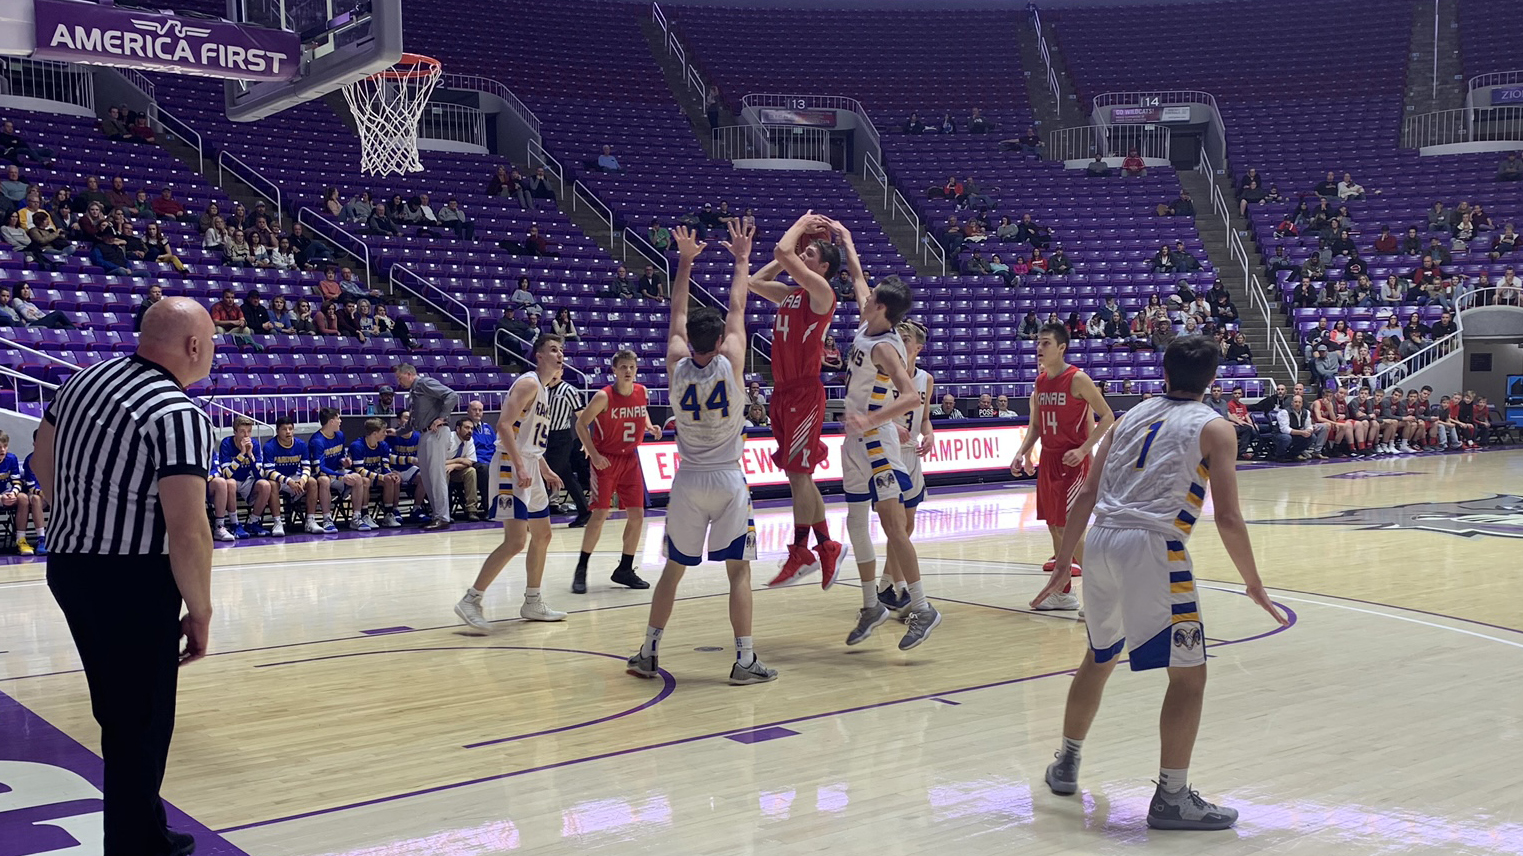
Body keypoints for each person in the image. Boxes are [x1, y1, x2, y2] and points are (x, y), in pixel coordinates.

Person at [1034, 336, 1288, 831]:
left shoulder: (1129, 416)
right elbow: (1228, 517)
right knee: (1189, 676)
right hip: (1153, 547)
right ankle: (1172, 796)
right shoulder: (1216, 427)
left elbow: (1087, 491)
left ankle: (1066, 762)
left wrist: (1065, 561)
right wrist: (1254, 582)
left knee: (1099, 656)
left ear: (1164, 373)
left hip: (1101, 540)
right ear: (1212, 379)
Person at [35, 296, 216, 855]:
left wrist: (79, 513)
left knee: (120, 709)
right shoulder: (178, 414)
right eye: (212, 341)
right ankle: (135, 844)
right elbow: (188, 530)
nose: (213, 350)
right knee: (141, 720)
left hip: (70, 565)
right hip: (132, 581)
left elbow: (41, 460)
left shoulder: (82, 382)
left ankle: (146, 828)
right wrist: (201, 610)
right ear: (193, 345)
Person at [625, 220, 774, 684]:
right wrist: (742, 258)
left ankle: (648, 652)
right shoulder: (733, 362)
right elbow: (738, 305)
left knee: (672, 570)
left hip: (688, 479)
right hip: (728, 479)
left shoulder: (676, 364)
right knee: (739, 573)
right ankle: (744, 659)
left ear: (691, 342)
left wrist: (685, 262)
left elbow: (676, 312)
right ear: (721, 342)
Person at [831, 230, 938, 649]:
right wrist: (846, 241)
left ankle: (923, 608)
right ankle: (870, 605)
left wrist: (871, 419)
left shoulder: (888, 349)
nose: (865, 295)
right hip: (856, 443)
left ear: (881, 308)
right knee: (856, 522)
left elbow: (910, 396)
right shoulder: (868, 321)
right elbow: (858, 276)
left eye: (872, 295)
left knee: (894, 527)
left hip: (876, 442)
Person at [749, 212, 844, 587]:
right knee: (798, 476)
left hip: (804, 392)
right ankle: (827, 545)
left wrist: (802, 226)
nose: (803, 256)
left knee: (799, 475)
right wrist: (790, 256)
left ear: (823, 268)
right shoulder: (793, 295)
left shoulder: (822, 295)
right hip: (782, 391)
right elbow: (756, 282)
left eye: (811, 255)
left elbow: (782, 251)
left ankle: (801, 550)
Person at [454, 333, 568, 630]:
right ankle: (471, 599)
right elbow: (503, 426)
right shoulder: (528, 383)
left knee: (543, 535)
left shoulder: (544, 391)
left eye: (561, 350)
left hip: (529, 464)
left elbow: (526, 437)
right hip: (510, 465)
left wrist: (543, 467)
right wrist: (519, 466)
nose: (560, 355)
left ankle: (533, 601)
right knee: (516, 540)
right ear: (539, 356)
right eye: (553, 350)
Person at [1009, 322, 1116, 611]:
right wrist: (1022, 452)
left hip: (1073, 462)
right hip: (1049, 460)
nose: (1039, 348)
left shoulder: (1077, 379)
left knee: (1069, 529)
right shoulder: (1040, 382)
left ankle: (1102, 592)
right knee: (1055, 527)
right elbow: (1036, 426)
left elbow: (1107, 416)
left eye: (1045, 343)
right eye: (1038, 343)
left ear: (1061, 348)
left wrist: (1083, 450)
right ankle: (1063, 591)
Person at [573, 349, 661, 593]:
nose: (628, 371)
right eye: (623, 367)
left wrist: (649, 426)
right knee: (600, 513)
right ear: (614, 370)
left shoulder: (642, 391)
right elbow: (581, 424)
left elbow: (641, 410)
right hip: (606, 460)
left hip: (630, 458)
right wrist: (594, 454)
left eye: (631, 367)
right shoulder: (604, 396)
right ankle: (582, 568)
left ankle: (625, 569)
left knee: (637, 515)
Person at [394, 363, 458, 531]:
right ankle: (437, 515)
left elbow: (452, 395)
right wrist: (397, 432)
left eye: (400, 378)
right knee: (427, 477)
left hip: (436, 432)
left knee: (436, 476)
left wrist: (442, 417)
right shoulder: (414, 391)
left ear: (409, 374)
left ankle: (443, 517)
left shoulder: (424, 383)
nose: (399, 382)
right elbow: (413, 420)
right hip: (424, 433)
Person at [309, 407, 372, 531]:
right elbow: (319, 469)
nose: (340, 421)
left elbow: (341, 456)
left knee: (358, 478)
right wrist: (341, 477)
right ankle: (327, 519)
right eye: (338, 418)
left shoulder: (340, 435)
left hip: (336, 472)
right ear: (331, 421)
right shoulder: (317, 441)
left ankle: (356, 517)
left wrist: (344, 461)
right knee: (324, 480)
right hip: (320, 474)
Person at [218, 416, 281, 537]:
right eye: (242, 431)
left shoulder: (254, 444)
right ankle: (235, 524)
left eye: (249, 431)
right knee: (230, 483)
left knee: (265, 485)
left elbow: (259, 475)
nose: (246, 435)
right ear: (235, 432)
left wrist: (250, 455)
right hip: (231, 481)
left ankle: (253, 522)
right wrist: (242, 454)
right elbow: (226, 474)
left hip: (247, 480)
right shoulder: (226, 443)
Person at [543, 368, 590, 524]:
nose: (553, 373)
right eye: (551, 370)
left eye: (557, 370)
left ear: (561, 372)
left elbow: (582, 417)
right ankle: (585, 511)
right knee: (567, 476)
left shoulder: (568, 390)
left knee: (547, 475)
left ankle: (534, 513)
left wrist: (586, 441)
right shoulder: (544, 389)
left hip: (561, 438)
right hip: (546, 437)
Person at [263, 416, 322, 533]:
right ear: (277, 431)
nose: (288, 432)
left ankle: (310, 520)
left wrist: (303, 480)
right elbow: (269, 471)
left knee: (312, 482)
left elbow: (307, 467)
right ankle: (277, 522)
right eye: (284, 429)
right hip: (278, 479)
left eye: (290, 429)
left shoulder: (301, 445)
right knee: (272, 484)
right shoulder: (269, 446)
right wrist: (288, 481)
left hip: (294, 476)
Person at [351, 418, 403, 527]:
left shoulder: (383, 445)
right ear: (375, 433)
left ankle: (388, 514)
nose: (386, 434)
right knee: (365, 481)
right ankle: (364, 514)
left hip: (375, 476)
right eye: (383, 432)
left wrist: (390, 474)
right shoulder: (357, 446)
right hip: (357, 479)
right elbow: (359, 470)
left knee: (390, 479)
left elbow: (385, 465)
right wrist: (381, 477)